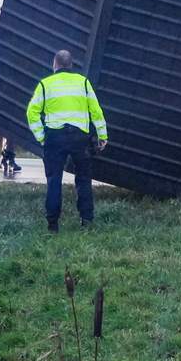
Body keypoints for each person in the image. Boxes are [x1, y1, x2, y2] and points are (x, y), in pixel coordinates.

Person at [26, 49, 108, 232]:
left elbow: (32, 113)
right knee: (84, 179)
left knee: (54, 180)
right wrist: (102, 136)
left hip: (55, 138)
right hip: (80, 138)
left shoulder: (45, 85)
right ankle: (86, 221)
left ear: (54, 64)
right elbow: (96, 111)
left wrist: (42, 137)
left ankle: (53, 225)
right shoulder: (83, 83)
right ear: (71, 65)